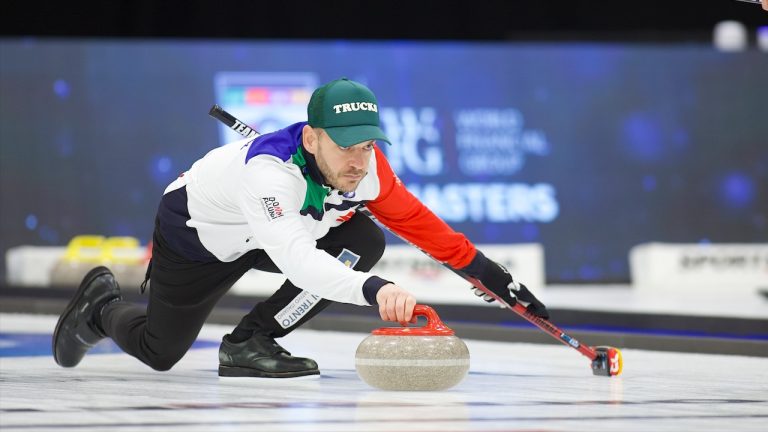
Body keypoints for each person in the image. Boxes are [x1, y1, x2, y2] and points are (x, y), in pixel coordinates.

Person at [52, 78, 549, 378]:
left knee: (362, 238)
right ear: (311, 139)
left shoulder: (367, 170)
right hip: (200, 238)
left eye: (367, 145)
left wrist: (489, 274)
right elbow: (297, 260)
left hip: (278, 232)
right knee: (159, 352)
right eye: (345, 146)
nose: (359, 161)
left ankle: (251, 342)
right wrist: (375, 289)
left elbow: (421, 226)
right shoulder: (270, 173)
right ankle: (100, 309)